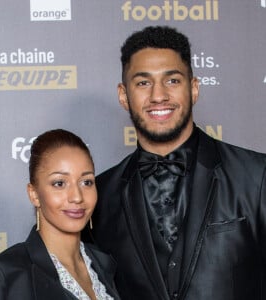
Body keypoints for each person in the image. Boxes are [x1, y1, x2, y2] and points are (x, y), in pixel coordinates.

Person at [84, 26, 266, 300]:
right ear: (123, 95)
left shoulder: (256, 176)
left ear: (193, 89)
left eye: (172, 81)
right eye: (143, 83)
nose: (158, 95)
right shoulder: (99, 195)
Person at [0, 129, 120, 300]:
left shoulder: (104, 264)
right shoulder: (3, 274)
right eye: (59, 183)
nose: (77, 197)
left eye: (86, 182)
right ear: (34, 194)